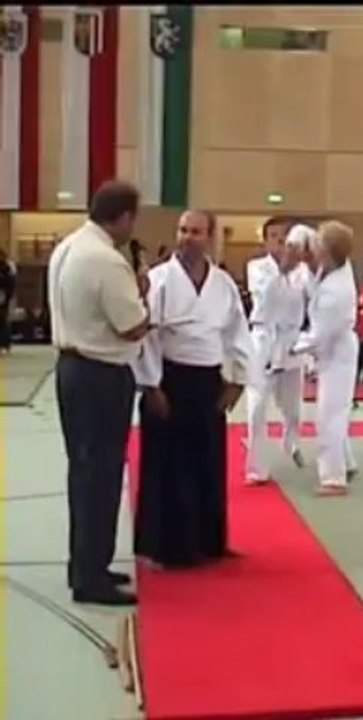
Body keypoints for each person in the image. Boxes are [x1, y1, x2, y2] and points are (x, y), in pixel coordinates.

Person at [48, 180, 149, 605]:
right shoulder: (106, 260)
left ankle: (87, 564)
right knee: (102, 475)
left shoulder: (68, 247)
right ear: (124, 216)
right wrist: (145, 299)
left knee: (85, 472)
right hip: (101, 374)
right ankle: (91, 578)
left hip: (72, 368)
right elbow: (131, 325)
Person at [133, 209, 252, 569]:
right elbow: (146, 338)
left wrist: (238, 380)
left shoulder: (223, 284)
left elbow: (237, 333)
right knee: (168, 465)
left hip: (208, 379)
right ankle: (169, 547)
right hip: (170, 377)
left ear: (210, 236)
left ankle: (208, 541)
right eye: (183, 230)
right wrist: (152, 386)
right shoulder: (159, 280)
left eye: (196, 231)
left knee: (208, 461)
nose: (188, 237)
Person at [293, 221, 360, 496]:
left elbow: (318, 336)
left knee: (329, 415)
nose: (313, 248)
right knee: (334, 411)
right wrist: (299, 244)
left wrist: (289, 348)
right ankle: (346, 462)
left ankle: (334, 478)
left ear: (328, 252)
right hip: (332, 347)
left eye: (318, 245)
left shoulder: (337, 291)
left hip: (337, 350)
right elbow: (305, 233)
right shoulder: (332, 267)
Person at [244, 217, 310, 485]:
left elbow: (311, 298)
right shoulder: (256, 267)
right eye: (274, 237)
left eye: (285, 238)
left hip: (292, 340)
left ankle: (290, 441)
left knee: (293, 407)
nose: (280, 243)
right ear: (265, 240)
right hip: (263, 338)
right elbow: (267, 297)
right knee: (257, 406)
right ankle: (257, 468)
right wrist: (282, 270)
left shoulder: (304, 271)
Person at [0, 248, 16, 353]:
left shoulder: (7, 267)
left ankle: (4, 344)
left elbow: (11, 283)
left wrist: (7, 295)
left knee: (2, 321)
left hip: (2, 295)